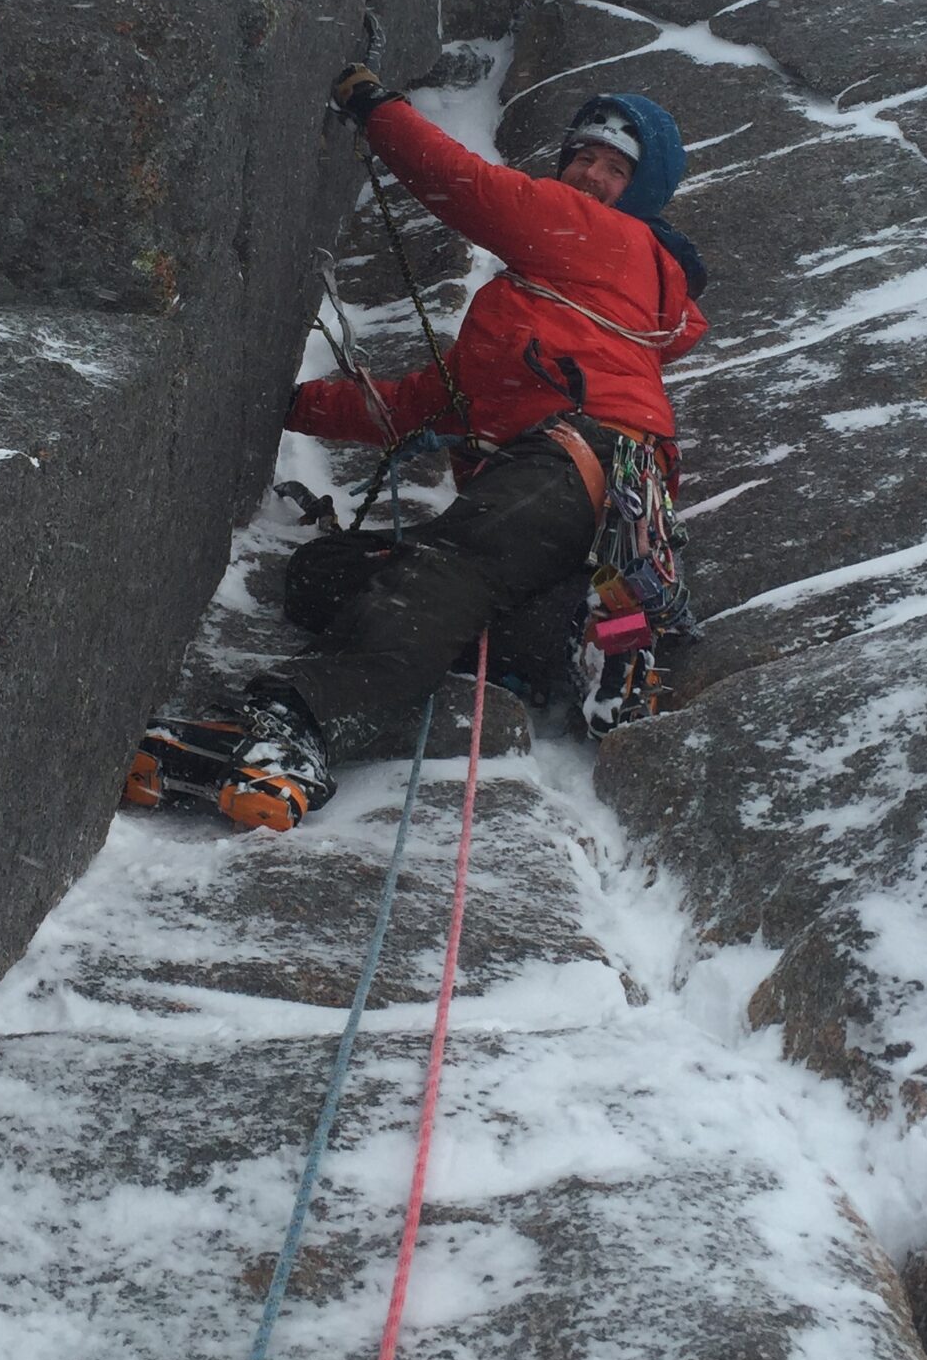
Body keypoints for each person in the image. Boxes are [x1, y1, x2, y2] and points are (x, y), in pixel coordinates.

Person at [125, 64, 707, 829]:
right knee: (324, 577)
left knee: (444, 571)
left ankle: (297, 723)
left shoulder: (614, 241)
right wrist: (284, 407)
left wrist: (376, 110)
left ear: (643, 191)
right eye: (583, 157)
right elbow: (416, 407)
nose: (591, 175)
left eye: (616, 166)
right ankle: (584, 634)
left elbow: (473, 190)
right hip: (574, 502)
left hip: (581, 457)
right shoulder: (545, 305)